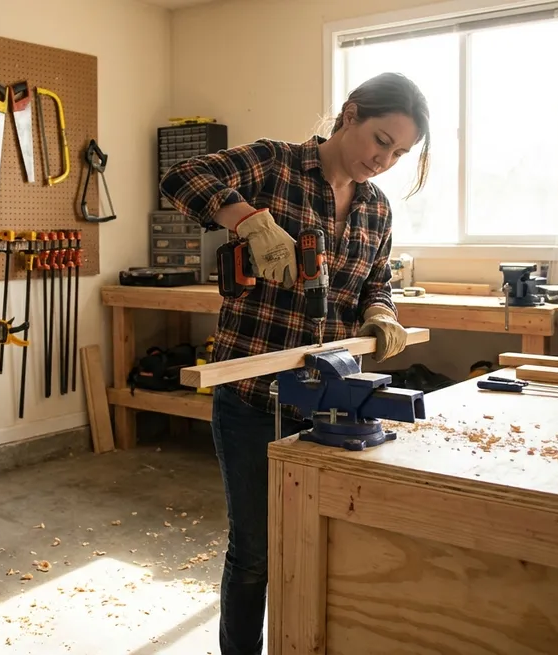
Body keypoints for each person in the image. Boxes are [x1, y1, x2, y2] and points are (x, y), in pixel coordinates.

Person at [158, 71, 431, 655]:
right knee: (255, 551)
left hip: (332, 404)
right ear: (350, 115)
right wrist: (248, 219)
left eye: (400, 153)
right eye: (380, 140)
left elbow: (375, 283)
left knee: (320, 543)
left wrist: (381, 315)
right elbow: (181, 176)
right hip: (254, 397)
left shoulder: (377, 210)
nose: (384, 160)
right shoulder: (274, 164)